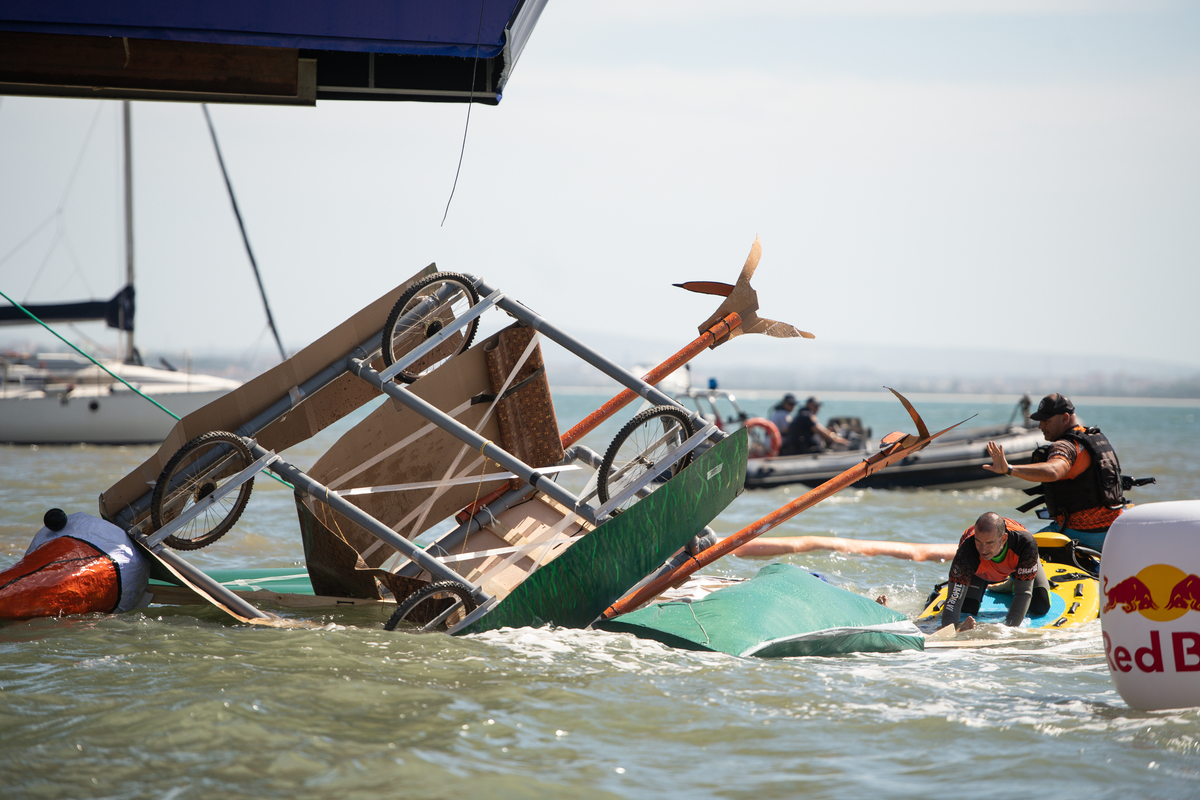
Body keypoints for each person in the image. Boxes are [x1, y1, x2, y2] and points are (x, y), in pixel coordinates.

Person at [984, 392, 1125, 551]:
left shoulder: (1065, 446)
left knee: (1014, 552)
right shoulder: (1094, 438)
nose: (1040, 426)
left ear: (1065, 418)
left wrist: (1009, 469)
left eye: (1046, 421)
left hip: (1079, 534)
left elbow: (1053, 470)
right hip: (1113, 529)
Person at [940, 512, 1051, 632]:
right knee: (967, 608)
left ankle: (1013, 582)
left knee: (1040, 605)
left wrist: (1006, 630)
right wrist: (948, 632)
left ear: (1003, 539)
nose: (982, 549)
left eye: (989, 543)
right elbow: (954, 600)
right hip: (980, 572)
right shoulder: (967, 549)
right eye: (978, 542)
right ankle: (1008, 582)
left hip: (1017, 566)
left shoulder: (1025, 543)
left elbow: (1023, 593)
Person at [780, 396, 849, 456]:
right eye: (815, 405)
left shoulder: (800, 415)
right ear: (808, 404)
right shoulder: (806, 416)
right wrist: (839, 440)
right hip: (805, 451)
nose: (817, 408)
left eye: (818, 406)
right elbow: (822, 432)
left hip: (799, 450)